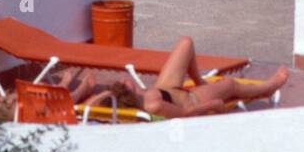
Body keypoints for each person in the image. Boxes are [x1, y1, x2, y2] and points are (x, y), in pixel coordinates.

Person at [60, 39, 287, 120]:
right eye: (125, 84)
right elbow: (185, 115)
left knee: (185, 44)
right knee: (230, 85)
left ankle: (199, 80)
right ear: (128, 94)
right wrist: (211, 105)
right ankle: (268, 88)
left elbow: (85, 106)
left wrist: (85, 89)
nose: (126, 80)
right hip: (190, 101)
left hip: (166, 88)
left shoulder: (120, 98)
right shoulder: (153, 104)